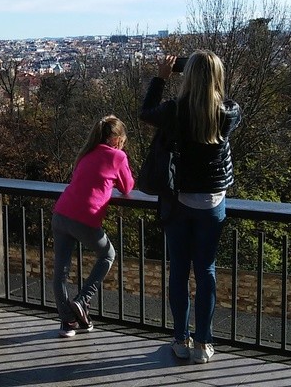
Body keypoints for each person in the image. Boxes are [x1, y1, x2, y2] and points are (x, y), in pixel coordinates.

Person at [140, 51, 241, 364]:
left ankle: (180, 338)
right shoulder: (229, 111)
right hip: (213, 202)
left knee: (179, 271)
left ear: (189, 75)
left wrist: (160, 76)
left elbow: (146, 112)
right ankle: (203, 342)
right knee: (206, 271)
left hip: (180, 200)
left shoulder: (175, 111)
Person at [52, 115, 135, 338]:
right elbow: (127, 186)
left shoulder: (86, 152)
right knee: (108, 254)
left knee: (61, 270)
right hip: (85, 217)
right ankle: (82, 299)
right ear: (117, 139)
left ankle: (69, 321)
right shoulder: (118, 156)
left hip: (61, 213)